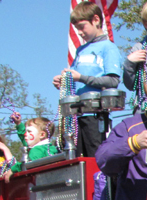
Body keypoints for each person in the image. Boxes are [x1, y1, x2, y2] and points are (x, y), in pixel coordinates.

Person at [53, 1, 123, 157]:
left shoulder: (108, 47)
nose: (79, 32)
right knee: (78, 160)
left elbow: (112, 81)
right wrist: (63, 80)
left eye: (82, 27)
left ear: (96, 20)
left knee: (96, 159)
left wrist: (82, 78)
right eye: (76, 28)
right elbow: (74, 77)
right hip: (76, 117)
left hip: (95, 115)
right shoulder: (80, 50)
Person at [6, 115, 59, 179]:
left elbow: (28, 165)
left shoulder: (36, 151)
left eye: (29, 131)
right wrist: (19, 124)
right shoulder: (51, 148)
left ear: (42, 134)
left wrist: (13, 169)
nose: (25, 134)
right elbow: (26, 139)